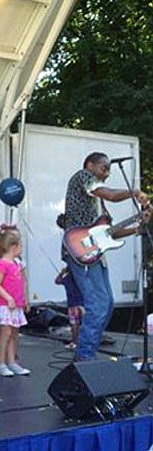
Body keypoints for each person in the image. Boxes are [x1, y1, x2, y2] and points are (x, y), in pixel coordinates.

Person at [61, 151, 149, 361]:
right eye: (104, 168)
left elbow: (109, 232)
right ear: (90, 165)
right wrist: (134, 192)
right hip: (80, 251)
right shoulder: (83, 177)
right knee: (98, 304)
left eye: (109, 169)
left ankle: (86, 352)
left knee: (107, 304)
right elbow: (110, 194)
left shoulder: (98, 201)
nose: (107, 173)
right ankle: (84, 358)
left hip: (96, 254)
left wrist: (138, 225)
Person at [0, 229, 30, 377]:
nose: (21, 249)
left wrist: (24, 299)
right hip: (5, 305)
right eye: (20, 246)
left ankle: (12, 361)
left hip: (16, 305)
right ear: (14, 247)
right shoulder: (2, 264)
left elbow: (22, 282)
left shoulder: (17, 264)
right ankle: (1, 363)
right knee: (5, 333)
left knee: (14, 333)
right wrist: (8, 298)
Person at [55, 267, 83, 350]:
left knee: (74, 324)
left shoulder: (67, 278)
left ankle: (74, 342)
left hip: (72, 305)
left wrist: (62, 272)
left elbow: (57, 281)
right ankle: (79, 342)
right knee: (79, 324)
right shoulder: (79, 278)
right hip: (81, 304)